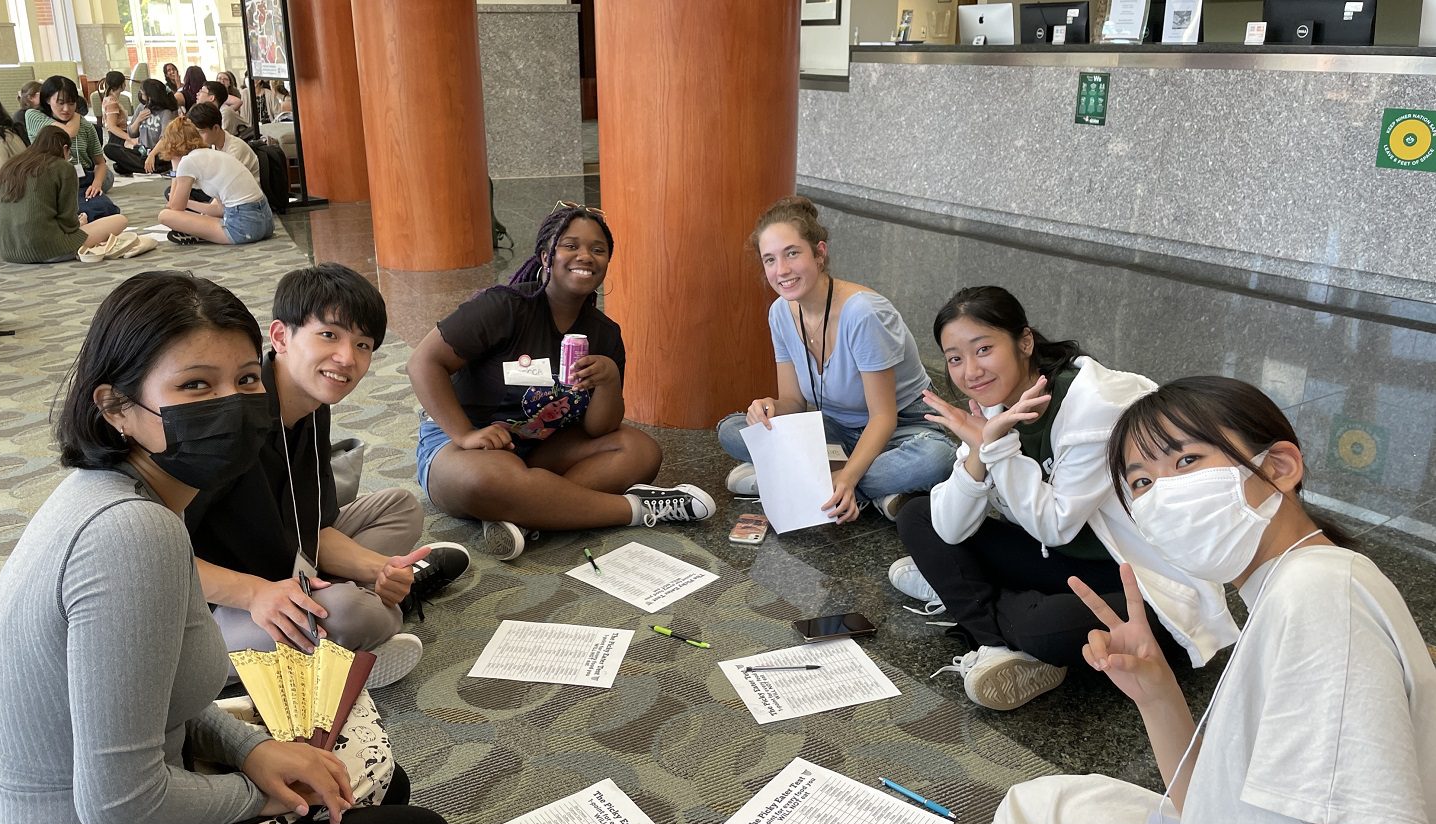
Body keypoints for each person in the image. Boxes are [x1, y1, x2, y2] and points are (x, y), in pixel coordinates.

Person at [0, 270, 454, 824]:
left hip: (66, 806)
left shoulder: (109, 493)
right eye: (196, 386)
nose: (231, 406)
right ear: (117, 408)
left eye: (246, 379)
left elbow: (151, 702)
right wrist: (264, 792)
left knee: (382, 791)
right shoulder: (135, 534)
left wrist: (252, 751)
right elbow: (121, 808)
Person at [976, 376, 1435, 824]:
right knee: (1044, 804)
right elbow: (1209, 808)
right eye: (1142, 482)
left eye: (1188, 459)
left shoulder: (1319, 595)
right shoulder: (1291, 588)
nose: (1163, 496)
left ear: (1279, 466)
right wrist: (1156, 693)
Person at [891, 286, 1237, 710]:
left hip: (1135, 578)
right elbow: (949, 526)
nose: (970, 371)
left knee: (1044, 629)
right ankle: (995, 644)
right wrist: (981, 451)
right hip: (1062, 564)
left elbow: (1055, 527)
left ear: (1024, 341)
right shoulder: (995, 406)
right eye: (955, 358)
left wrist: (994, 447)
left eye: (983, 349)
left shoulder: (1093, 407)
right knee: (918, 515)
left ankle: (966, 594)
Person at [187, 263, 469, 689]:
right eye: (329, 335)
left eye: (363, 345)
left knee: (401, 507)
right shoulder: (234, 419)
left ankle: (344, 611)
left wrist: (381, 569)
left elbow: (315, 528)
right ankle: (348, 621)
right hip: (213, 605)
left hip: (285, 559)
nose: (347, 359)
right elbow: (162, 560)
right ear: (280, 337)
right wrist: (254, 594)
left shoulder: (312, 405)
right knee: (362, 613)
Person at [409, 201, 716, 561]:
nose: (585, 255)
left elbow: (601, 428)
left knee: (640, 452)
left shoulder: (605, 334)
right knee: (488, 481)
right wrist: (465, 433)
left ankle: (526, 515)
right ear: (546, 256)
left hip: (540, 447)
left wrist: (609, 380)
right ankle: (637, 510)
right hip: (464, 446)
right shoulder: (505, 307)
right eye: (571, 245)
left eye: (598, 250)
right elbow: (423, 363)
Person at [717, 196, 956, 524]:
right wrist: (769, 407)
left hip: (903, 427)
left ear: (819, 253)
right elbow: (793, 401)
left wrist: (848, 476)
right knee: (733, 430)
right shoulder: (780, 313)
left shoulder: (863, 313)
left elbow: (883, 417)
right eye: (770, 260)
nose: (781, 270)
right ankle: (879, 490)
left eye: (792, 253)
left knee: (937, 459)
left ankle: (812, 483)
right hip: (837, 429)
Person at [0, 125, 129, 263]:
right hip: (47, 249)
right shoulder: (62, 167)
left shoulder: (10, 166)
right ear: (65, 149)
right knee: (120, 220)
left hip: (8, 251)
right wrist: (80, 223)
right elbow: (68, 222)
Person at [155, 116, 274, 246]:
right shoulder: (214, 154)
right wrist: (188, 203)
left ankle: (198, 233)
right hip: (266, 223)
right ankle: (201, 232)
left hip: (242, 228)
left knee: (165, 215)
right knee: (195, 214)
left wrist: (175, 167)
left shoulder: (187, 162)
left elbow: (175, 207)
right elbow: (220, 210)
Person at [24, 75, 120, 221]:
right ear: (47, 100)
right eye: (60, 103)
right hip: (48, 182)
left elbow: (100, 162)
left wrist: (96, 184)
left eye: (71, 103)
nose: (66, 109)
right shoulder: (34, 116)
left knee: (107, 212)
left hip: (81, 180)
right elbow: (67, 133)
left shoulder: (86, 127)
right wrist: (76, 115)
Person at [131, 77, 178, 170]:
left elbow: (165, 138)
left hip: (158, 153)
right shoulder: (141, 108)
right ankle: (147, 166)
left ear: (150, 95)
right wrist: (138, 120)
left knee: (121, 165)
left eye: (142, 90)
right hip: (142, 150)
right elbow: (131, 133)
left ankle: (144, 165)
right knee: (111, 149)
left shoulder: (166, 113)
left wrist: (152, 155)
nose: (140, 92)